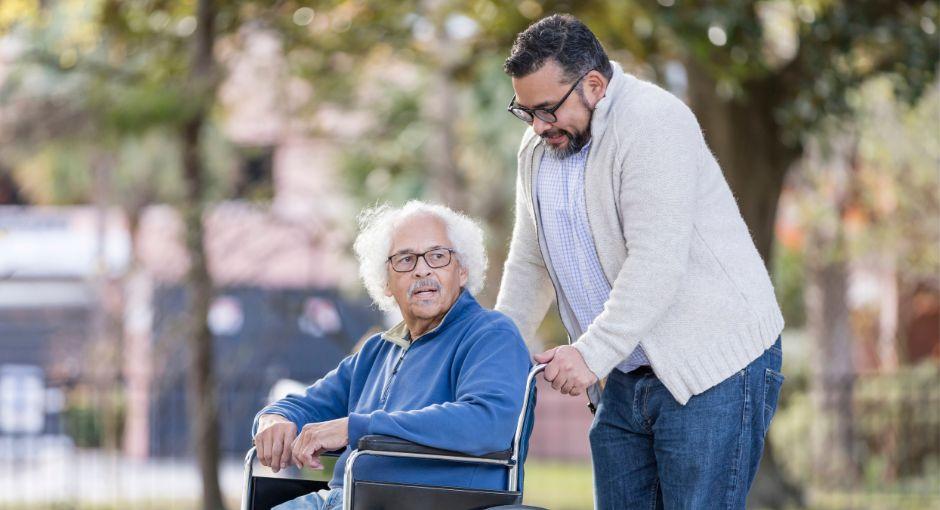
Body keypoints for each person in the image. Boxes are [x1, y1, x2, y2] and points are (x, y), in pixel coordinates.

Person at [494, 14, 786, 509]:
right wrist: (494, 354)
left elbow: (656, 261)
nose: (539, 126)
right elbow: (530, 261)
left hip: (712, 367)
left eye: (547, 109)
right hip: (626, 373)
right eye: (525, 112)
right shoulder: (538, 148)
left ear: (593, 84)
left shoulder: (653, 123)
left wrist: (589, 353)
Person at [254, 201, 531, 510]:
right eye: (405, 259)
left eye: (438, 256)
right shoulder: (378, 350)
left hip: (431, 502)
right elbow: (304, 405)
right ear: (386, 282)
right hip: (340, 499)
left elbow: (485, 422)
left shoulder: (491, 334)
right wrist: (273, 420)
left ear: (462, 270)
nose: (422, 269)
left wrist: (355, 427)